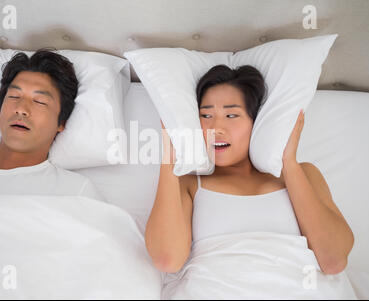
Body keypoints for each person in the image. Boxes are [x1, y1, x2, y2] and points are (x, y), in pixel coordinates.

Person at [145, 64, 354, 276]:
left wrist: (288, 162)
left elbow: (333, 260)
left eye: (231, 116)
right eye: (206, 116)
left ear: (258, 122)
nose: (216, 127)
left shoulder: (304, 174)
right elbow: (167, 260)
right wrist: (169, 158)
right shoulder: (187, 182)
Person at [0, 49, 104, 201]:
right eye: (15, 96)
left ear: (61, 123)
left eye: (39, 101)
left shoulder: (75, 192)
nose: (21, 109)